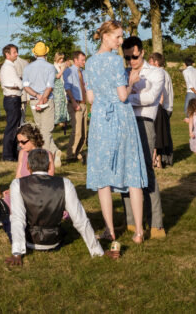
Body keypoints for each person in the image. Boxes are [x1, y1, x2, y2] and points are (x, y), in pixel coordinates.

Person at [84, 20, 147, 243]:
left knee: (103, 176)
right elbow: (122, 96)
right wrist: (131, 82)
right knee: (132, 169)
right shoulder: (115, 61)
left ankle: (110, 230)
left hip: (100, 119)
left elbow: (90, 98)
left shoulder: (89, 63)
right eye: (118, 37)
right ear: (105, 36)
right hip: (120, 117)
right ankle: (139, 231)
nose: (121, 41)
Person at [5, 149, 105, 265]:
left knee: (7, 217)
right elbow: (81, 220)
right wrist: (97, 251)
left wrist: (17, 253)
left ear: (27, 166)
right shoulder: (65, 183)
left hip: (30, 242)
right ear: (48, 165)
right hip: (54, 241)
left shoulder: (17, 184)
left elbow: (18, 219)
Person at [120, 36, 165, 240]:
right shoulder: (123, 72)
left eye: (135, 57)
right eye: (128, 58)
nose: (132, 61)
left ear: (143, 52)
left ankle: (156, 223)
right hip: (124, 123)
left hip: (144, 122)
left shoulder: (156, 72)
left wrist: (126, 96)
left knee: (147, 170)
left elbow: (150, 98)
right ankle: (131, 221)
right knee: (125, 170)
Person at [23, 41, 61, 167]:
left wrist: (37, 97)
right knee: (46, 130)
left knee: (41, 129)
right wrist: (43, 97)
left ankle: (52, 153)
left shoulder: (28, 68)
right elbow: (50, 86)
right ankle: (50, 156)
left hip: (35, 101)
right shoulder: (50, 67)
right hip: (47, 100)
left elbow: (26, 86)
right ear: (46, 53)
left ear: (35, 54)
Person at [0, 44, 25, 161]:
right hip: (12, 98)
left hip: (13, 98)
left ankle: (12, 153)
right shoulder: (8, 67)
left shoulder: (10, 66)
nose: (17, 54)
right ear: (7, 54)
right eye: (14, 52)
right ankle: (8, 155)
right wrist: (21, 83)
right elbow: (18, 84)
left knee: (14, 127)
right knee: (11, 128)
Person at [148, 52, 174, 168]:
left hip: (163, 108)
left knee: (161, 135)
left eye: (150, 62)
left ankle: (165, 159)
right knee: (163, 134)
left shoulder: (160, 73)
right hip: (166, 107)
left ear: (156, 63)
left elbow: (161, 92)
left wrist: (158, 106)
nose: (149, 64)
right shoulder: (164, 72)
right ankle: (163, 159)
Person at [63, 51, 88, 163]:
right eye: (82, 60)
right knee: (77, 131)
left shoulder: (83, 72)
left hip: (83, 103)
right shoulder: (69, 71)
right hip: (75, 103)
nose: (84, 62)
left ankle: (78, 152)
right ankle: (70, 154)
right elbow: (67, 87)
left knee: (84, 132)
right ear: (75, 60)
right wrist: (73, 102)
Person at [52, 53, 70, 126]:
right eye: (60, 58)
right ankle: (57, 121)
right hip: (57, 88)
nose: (61, 60)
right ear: (57, 58)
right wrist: (62, 69)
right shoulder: (53, 67)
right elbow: (57, 76)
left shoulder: (63, 66)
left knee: (64, 103)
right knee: (58, 104)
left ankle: (64, 120)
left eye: (62, 58)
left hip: (64, 86)